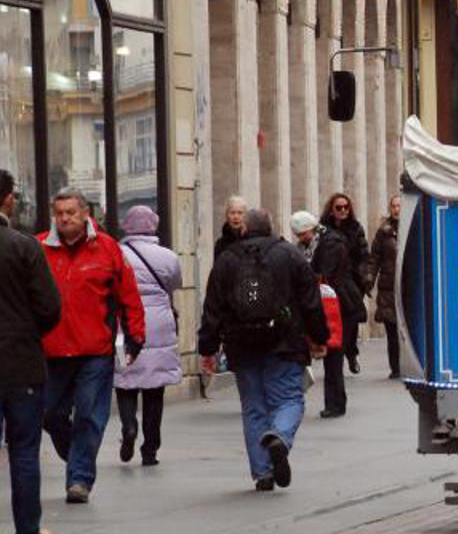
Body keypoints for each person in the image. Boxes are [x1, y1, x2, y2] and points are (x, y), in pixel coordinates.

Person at [198, 209, 329, 491]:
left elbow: (213, 307)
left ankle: (263, 473)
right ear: (271, 227)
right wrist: (319, 336)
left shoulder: (227, 259)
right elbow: (310, 301)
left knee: (253, 408)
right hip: (284, 342)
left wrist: (207, 346)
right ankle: (280, 437)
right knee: (289, 399)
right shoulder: (290, 255)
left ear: (244, 229)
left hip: (242, 344)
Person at [39, 188, 146, 504]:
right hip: (51, 350)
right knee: (49, 415)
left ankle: (80, 479)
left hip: (94, 351)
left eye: (71, 212)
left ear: (85, 213)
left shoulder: (107, 248)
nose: (65, 219)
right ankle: (77, 455)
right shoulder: (39, 247)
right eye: (59, 213)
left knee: (89, 414)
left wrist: (135, 336)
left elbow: (129, 296)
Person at [0, 169, 60, 534]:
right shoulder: (25, 247)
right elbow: (50, 309)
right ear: (9, 201)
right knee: (24, 452)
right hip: (21, 364)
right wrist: (26, 330)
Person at [114, 206, 182, 467]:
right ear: (153, 225)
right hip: (159, 326)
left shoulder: (118, 254)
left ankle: (129, 426)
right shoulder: (167, 256)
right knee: (155, 389)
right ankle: (150, 449)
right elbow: (176, 283)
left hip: (124, 327)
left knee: (123, 378)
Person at [290, 211, 361, 418]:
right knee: (331, 354)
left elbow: (324, 273)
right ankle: (334, 402)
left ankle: (336, 404)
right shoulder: (309, 245)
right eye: (298, 235)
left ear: (311, 229)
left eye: (303, 234)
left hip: (341, 304)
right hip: (326, 302)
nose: (301, 239)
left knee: (334, 354)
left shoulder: (330, 242)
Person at [320, 193, 369, 375]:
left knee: (351, 322)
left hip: (352, 282)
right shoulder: (323, 229)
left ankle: (351, 353)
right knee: (334, 322)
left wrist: (364, 279)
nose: (342, 211)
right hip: (331, 283)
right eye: (338, 208)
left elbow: (364, 255)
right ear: (331, 210)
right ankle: (336, 359)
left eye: (345, 207)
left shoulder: (356, 229)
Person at [365, 196, 403, 378]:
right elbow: (374, 258)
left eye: (400, 206)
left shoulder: (415, 226)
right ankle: (395, 367)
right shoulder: (384, 232)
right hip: (389, 285)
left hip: (409, 285)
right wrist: (369, 279)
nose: (397, 209)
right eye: (394, 206)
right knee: (392, 328)